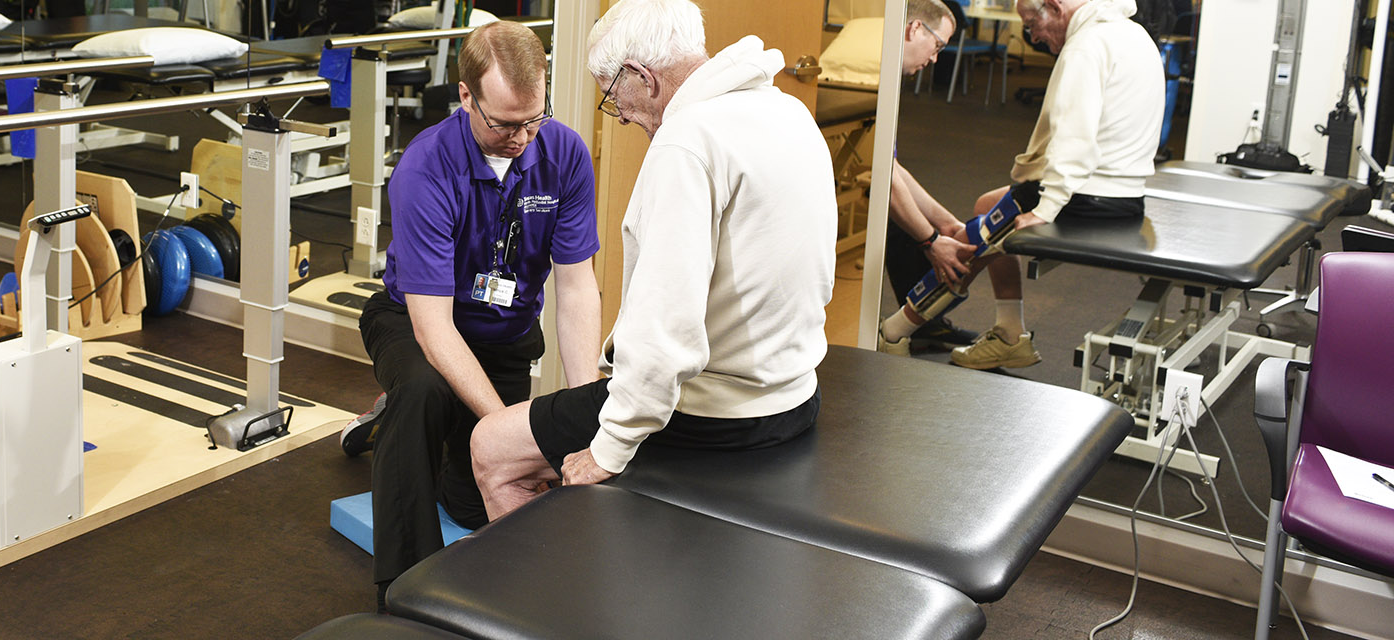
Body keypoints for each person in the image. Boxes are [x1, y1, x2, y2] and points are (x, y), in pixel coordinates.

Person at [468, 0, 835, 520]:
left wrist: (608, 448)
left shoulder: (686, 145)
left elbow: (667, 332)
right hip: (794, 396)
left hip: (713, 413)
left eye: (616, 99)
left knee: (492, 446)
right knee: (577, 409)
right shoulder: (786, 111)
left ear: (643, 76)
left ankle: (543, 599)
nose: (621, 117)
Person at [346, 20, 602, 606]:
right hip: (416, 324)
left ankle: (394, 429)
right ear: (466, 98)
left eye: (533, 119)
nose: (522, 137)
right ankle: (402, 587)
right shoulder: (425, 166)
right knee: (421, 392)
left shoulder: (562, 152)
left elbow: (576, 287)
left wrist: (583, 416)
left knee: (471, 499)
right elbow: (433, 326)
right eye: (505, 123)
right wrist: (503, 431)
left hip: (504, 336)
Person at [877, 0, 1163, 369]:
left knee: (972, 241)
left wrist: (1046, 207)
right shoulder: (1134, 34)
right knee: (985, 207)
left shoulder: (1086, 46)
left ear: (1055, 7)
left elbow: (1075, 139)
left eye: (1032, 25)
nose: (1034, 37)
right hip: (1126, 196)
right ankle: (1010, 332)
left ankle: (895, 331)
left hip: (1084, 194)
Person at [882, 0, 980, 350]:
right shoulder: (877, 73)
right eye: (938, 46)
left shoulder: (888, 70)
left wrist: (946, 224)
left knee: (912, 215)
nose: (936, 58)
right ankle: (921, 326)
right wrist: (931, 241)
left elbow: (892, 168)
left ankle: (927, 325)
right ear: (915, 29)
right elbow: (884, 182)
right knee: (901, 216)